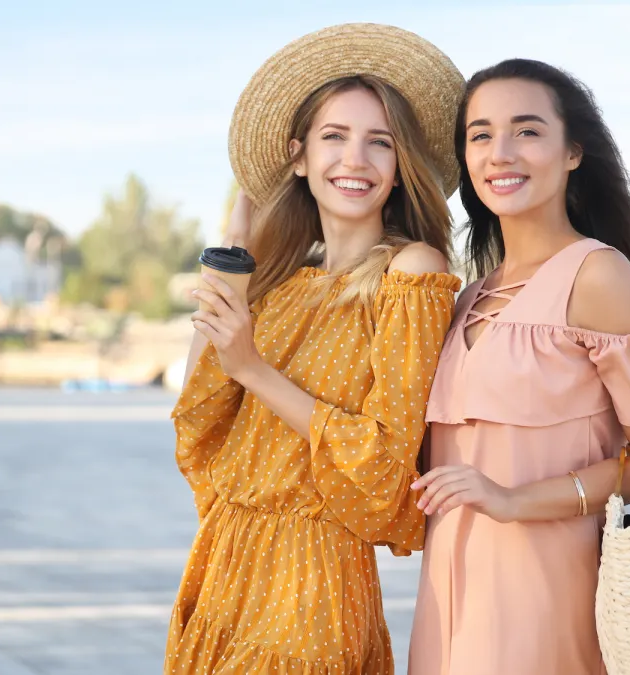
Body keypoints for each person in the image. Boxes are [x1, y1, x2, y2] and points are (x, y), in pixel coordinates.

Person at [407, 59, 630, 675]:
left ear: (572, 153)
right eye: (481, 135)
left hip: (548, 590)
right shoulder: (467, 297)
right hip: (448, 593)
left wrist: (513, 499)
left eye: (527, 130)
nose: (500, 152)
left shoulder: (597, 275)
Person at [165, 23, 465, 674]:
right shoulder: (280, 281)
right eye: (334, 136)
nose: (355, 159)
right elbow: (199, 413)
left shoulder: (411, 272)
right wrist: (235, 248)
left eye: (379, 142)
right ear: (298, 157)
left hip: (311, 580)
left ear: (400, 169)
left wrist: (253, 369)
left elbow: (385, 461)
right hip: (223, 562)